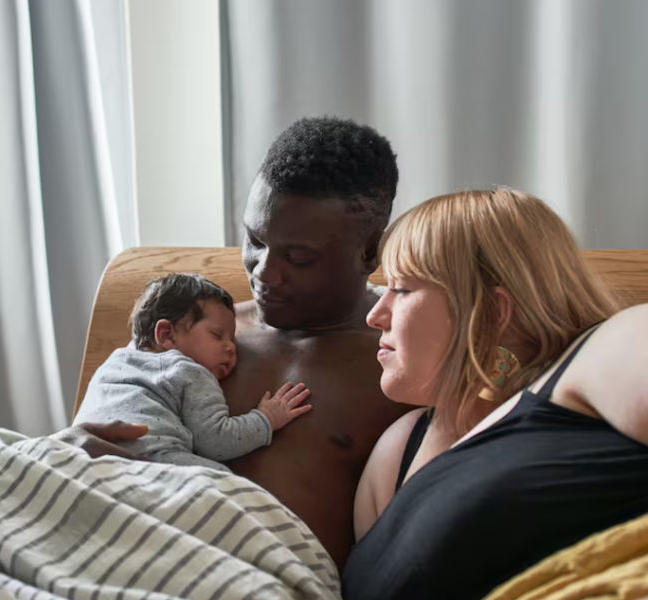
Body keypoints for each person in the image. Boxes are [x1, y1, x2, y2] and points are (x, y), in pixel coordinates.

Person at [343, 188, 648, 600]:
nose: (376, 315)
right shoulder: (397, 452)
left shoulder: (609, 351)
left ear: (491, 311)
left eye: (402, 289)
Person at [56, 116, 413, 567]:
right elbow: (102, 420)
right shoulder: (186, 333)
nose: (264, 272)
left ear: (369, 251)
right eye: (255, 240)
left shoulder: (398, 362)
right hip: (117, 552)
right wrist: (64, 449)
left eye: (297, 257)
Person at [73, 272, 313, 471]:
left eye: (232, 340)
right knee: (224, 481)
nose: (231, 348)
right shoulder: (188, 370)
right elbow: (215, 441)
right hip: (154, 462)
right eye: (217, 335)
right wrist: (267, 419)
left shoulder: (110, 365)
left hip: (86, 460)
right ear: (167, 335)